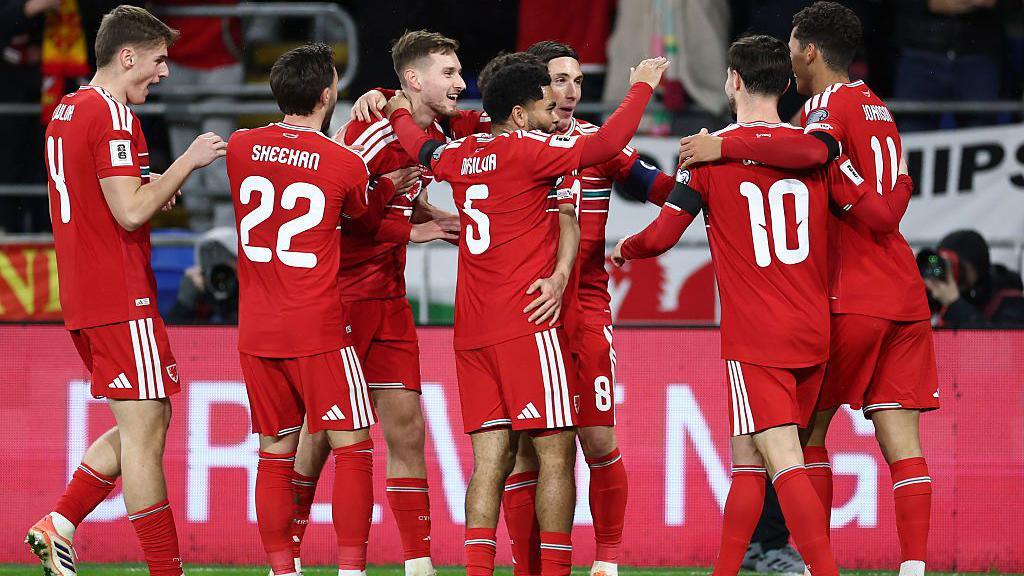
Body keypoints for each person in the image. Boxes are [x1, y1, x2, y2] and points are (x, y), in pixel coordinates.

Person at [349, 42, 676, 576]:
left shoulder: (457, 154)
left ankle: (498, 568)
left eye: (574, 81)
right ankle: (551, 570)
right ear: (522, 110)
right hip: (532, 317)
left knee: (493, 460)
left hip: (480, 326)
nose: (564, 98)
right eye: (553, 89)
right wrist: (641, 84)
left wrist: (394, 103)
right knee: (554, 453)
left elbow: (416, 139)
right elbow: (613, 140)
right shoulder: (533, 150)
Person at [679, 4, 938, 575]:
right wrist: (892, 201)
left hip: (848, 295)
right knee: (903, 445)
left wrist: (724, 147)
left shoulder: (823, 108)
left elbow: (815, 157)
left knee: (798, 442)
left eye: (794, 47)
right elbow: (890, 204)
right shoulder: (877, 105)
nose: (790, 58)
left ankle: (807, 561)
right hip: (905, 295)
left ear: (811, 51)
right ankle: (915, 568)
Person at [613, 34, 846, 576]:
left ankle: (825, 571)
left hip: (756, 333)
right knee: (750, 460)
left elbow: (664, 235)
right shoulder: (809, 146)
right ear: (786, 84)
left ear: (733, 81)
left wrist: (623, 247)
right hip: (812, 324)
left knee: (782, 460)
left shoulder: (706, 153)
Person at [27, 6, 227, 576]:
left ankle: (59, 523)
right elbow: (131, 211)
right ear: (128, 56)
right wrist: (186, 164)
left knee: (151, 418)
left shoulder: (66, 110)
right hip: (119, 294)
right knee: (145, 435)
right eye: (159, 61)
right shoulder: (114, 116)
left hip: (85, 293)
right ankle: (166, 570)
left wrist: (149, 187)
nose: (164, 74)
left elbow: (105, 199)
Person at [283, 30, 468, 576]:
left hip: (388, 298)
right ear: (413, 79)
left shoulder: (429, 130)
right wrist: (409, 233)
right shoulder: (370, 129)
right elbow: (331, 211)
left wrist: (430, 215)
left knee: (407, 427)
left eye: (460, 72)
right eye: (450, 73)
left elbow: (396, 193)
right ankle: (286, 556)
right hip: (339, 299)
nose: (461, 82)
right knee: (318, 438)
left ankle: (417, 563)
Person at [226, 42, 402, 576]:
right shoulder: (344, 162)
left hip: (257, 331)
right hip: (320, 327)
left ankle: (284, 570)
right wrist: (391, 185)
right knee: (353, 448)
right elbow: (365, 219)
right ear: (328, 94)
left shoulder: (240, 146)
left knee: (274, 456)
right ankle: (351, 570)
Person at [927, 229, 1024, 326]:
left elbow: (998, 339)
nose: (949, 273)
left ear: (977, 268)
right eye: (944, 265)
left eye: (956, 267)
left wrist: (955, 304)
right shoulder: (940, 297)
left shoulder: (1011, 301)